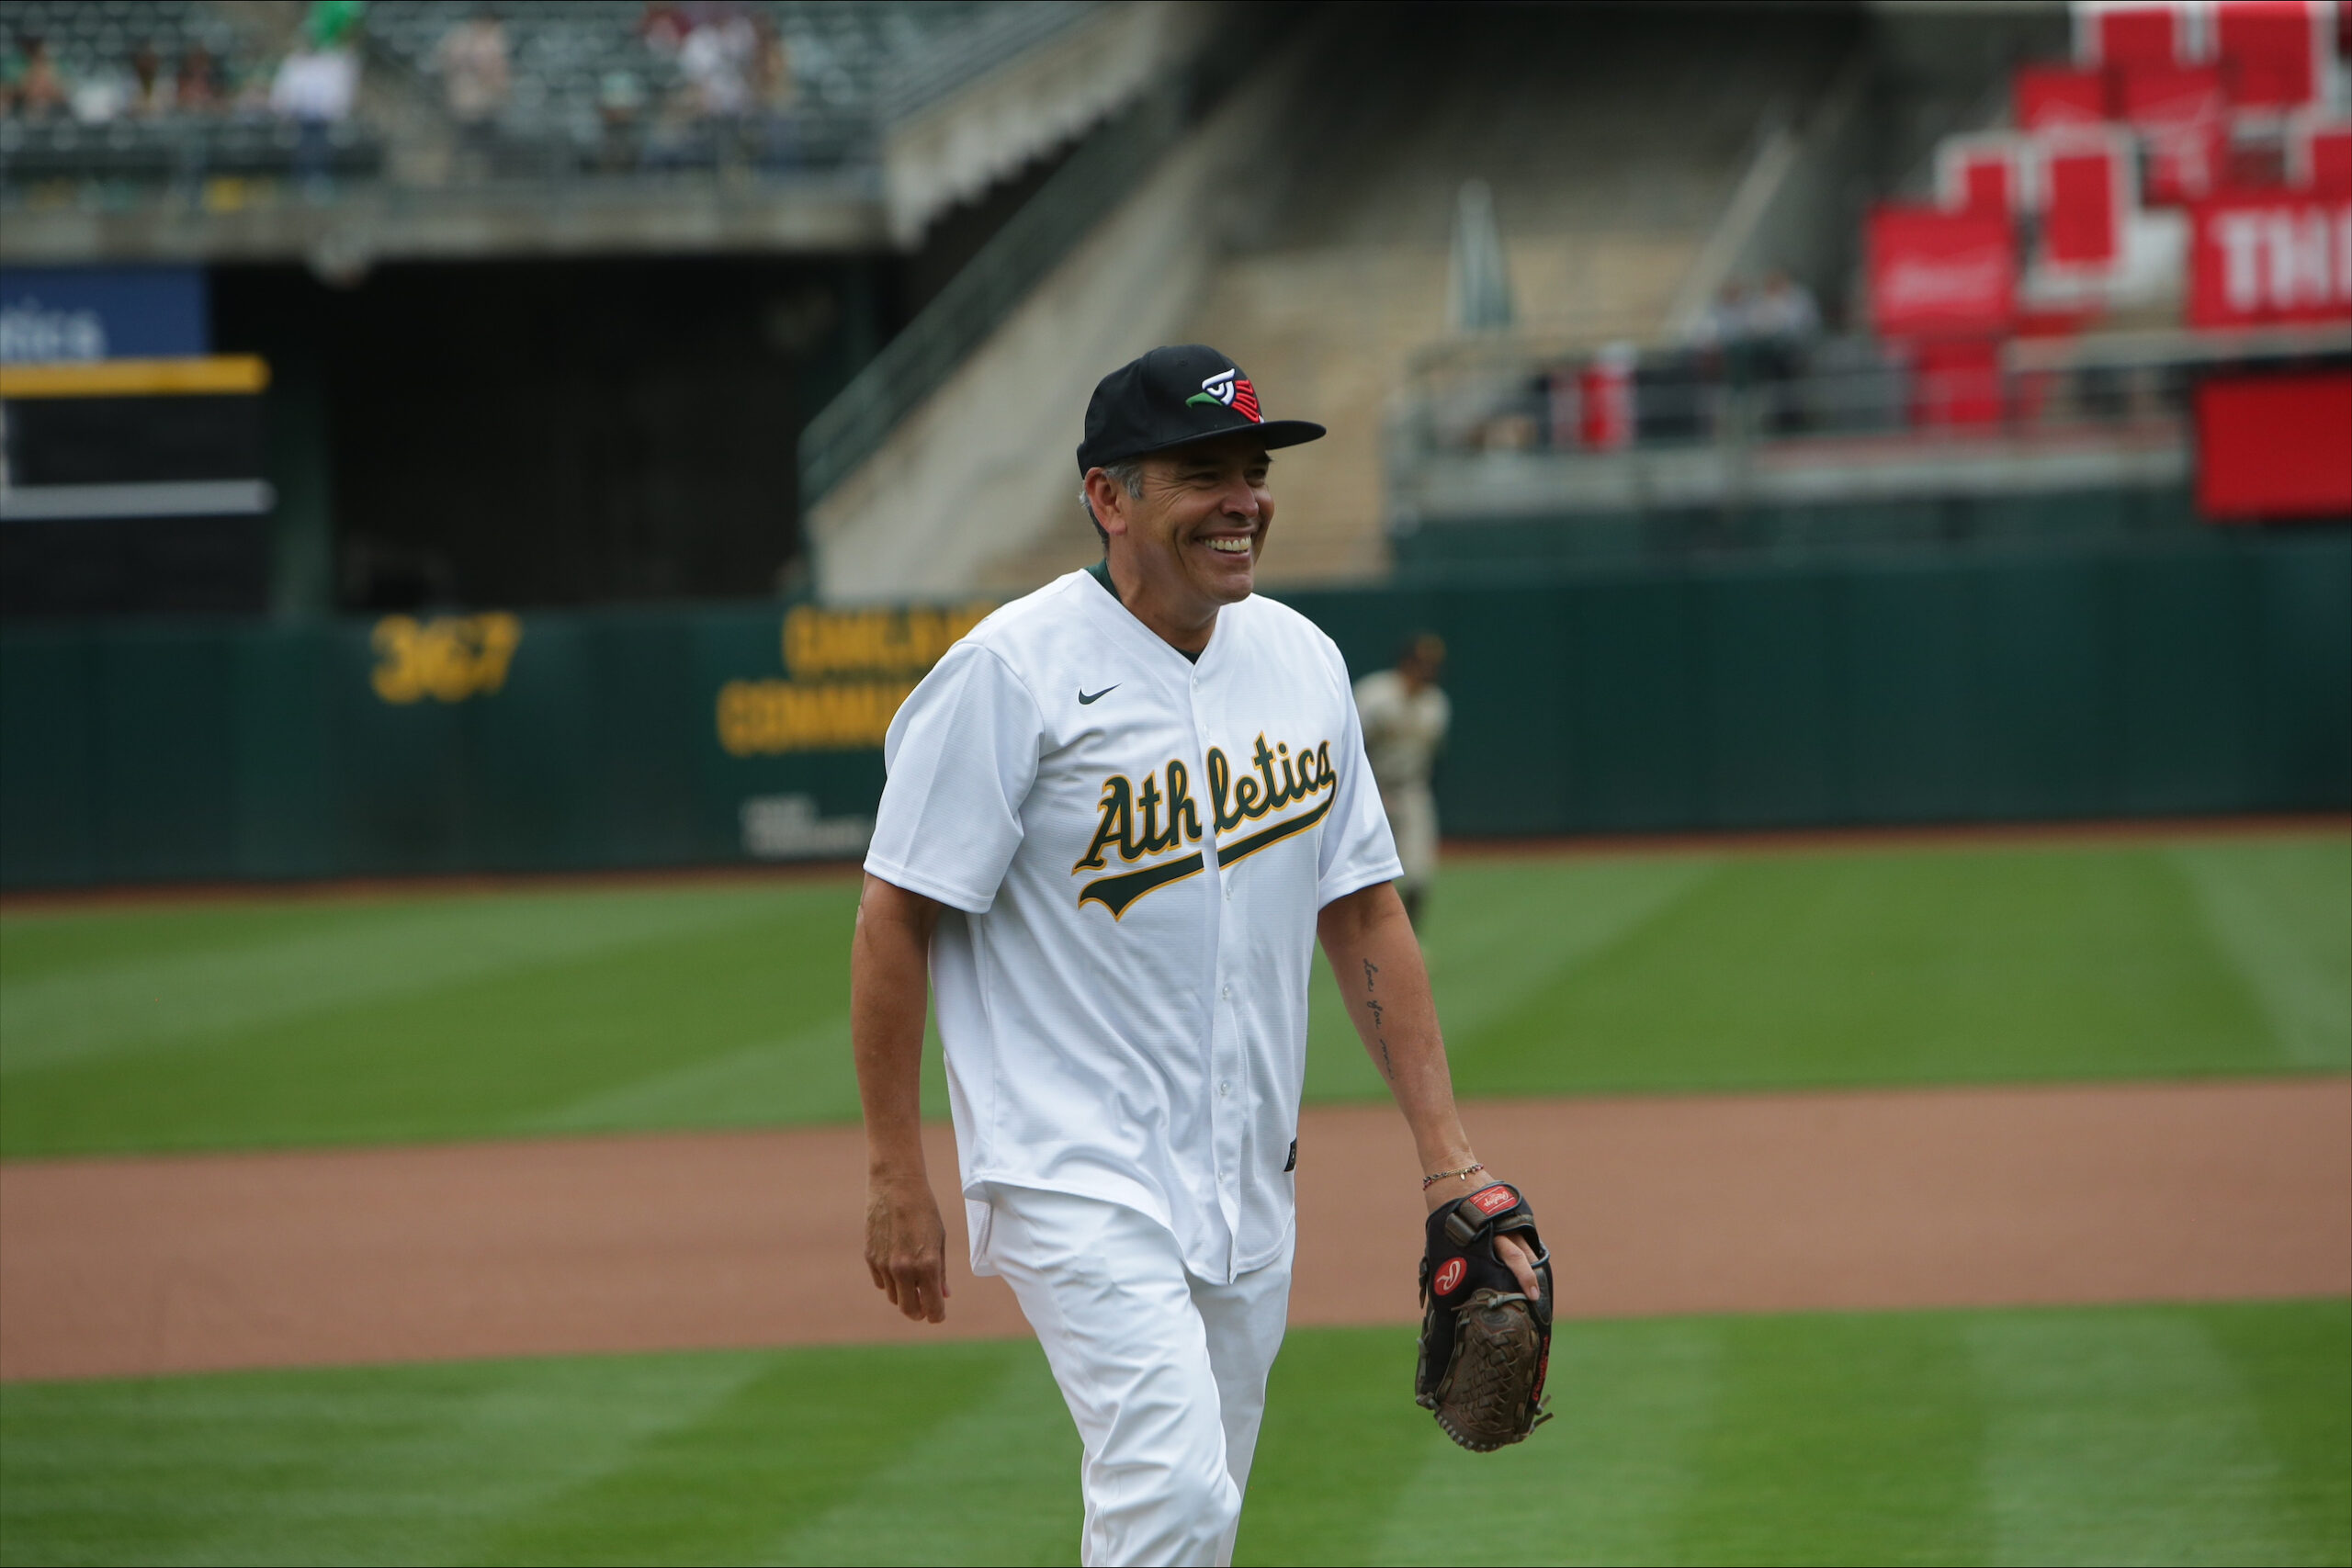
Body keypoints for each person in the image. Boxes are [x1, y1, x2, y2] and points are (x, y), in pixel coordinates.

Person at [853, 344, 1545, 1566]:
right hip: (1074, 1164)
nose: (1244, 498)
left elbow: (1366, 912)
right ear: (1109, 497)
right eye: (1202, 472)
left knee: (1191, 1510)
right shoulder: (1011, 673)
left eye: (1254, 469)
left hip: (1245, 1172)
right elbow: (895, 913)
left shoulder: (1300, 661)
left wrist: (1450, 1160)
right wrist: (895, 1170)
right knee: (1173, 1495)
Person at [1352, 634, 1451, 930]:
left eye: (1433, 665)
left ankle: (1411, 940)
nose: (1428, 671)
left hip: (1411, 790)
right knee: (1361, 872)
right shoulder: (1374, 695)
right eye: (1422, 663)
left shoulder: (1436, 705)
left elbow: (1434, 758)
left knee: (1419, 874)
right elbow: (1350, 746)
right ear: (1406, 662)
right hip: (1371, 789)